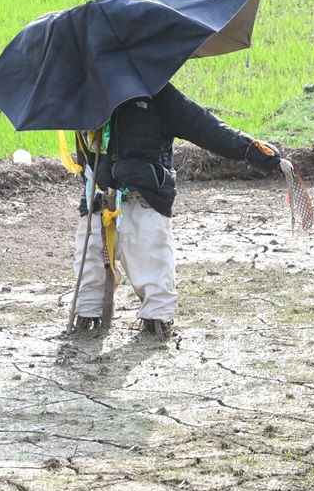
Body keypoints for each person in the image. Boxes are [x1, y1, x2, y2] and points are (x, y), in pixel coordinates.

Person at [71, 81, 282, 336]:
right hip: (97, 199)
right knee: (89, 270)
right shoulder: (84, 96)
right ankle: (85, 323)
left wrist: (256, 153)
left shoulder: (159, 95)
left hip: (146, 197)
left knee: (154, 270)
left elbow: (208, 129)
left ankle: (156, 327)